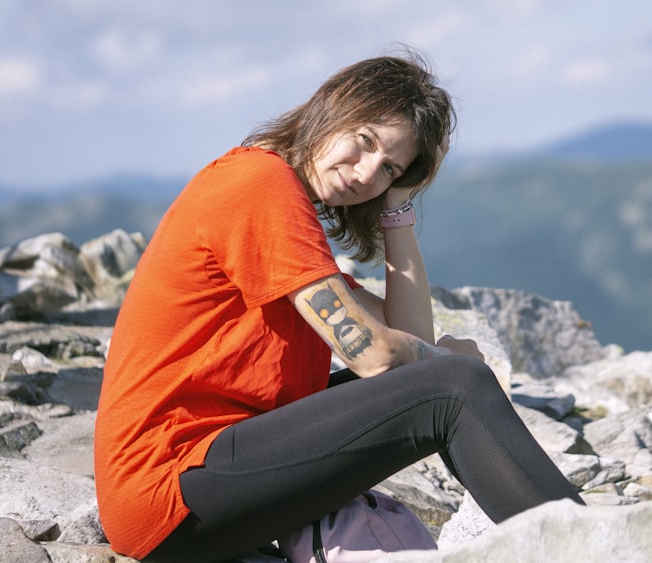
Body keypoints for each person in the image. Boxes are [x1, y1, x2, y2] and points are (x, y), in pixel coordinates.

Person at [93, 51, 583, 562]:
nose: (367, 172)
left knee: (447, 383)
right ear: (332, 109)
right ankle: (595, 547)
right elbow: (374, 356)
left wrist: (397, 208)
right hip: (169, 482)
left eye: (389, 168)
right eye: (366, 141)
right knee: (457, 386)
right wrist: (449, 365)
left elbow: (406, 333)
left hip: (208, 472)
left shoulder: (288, 219)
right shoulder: (258, 183)